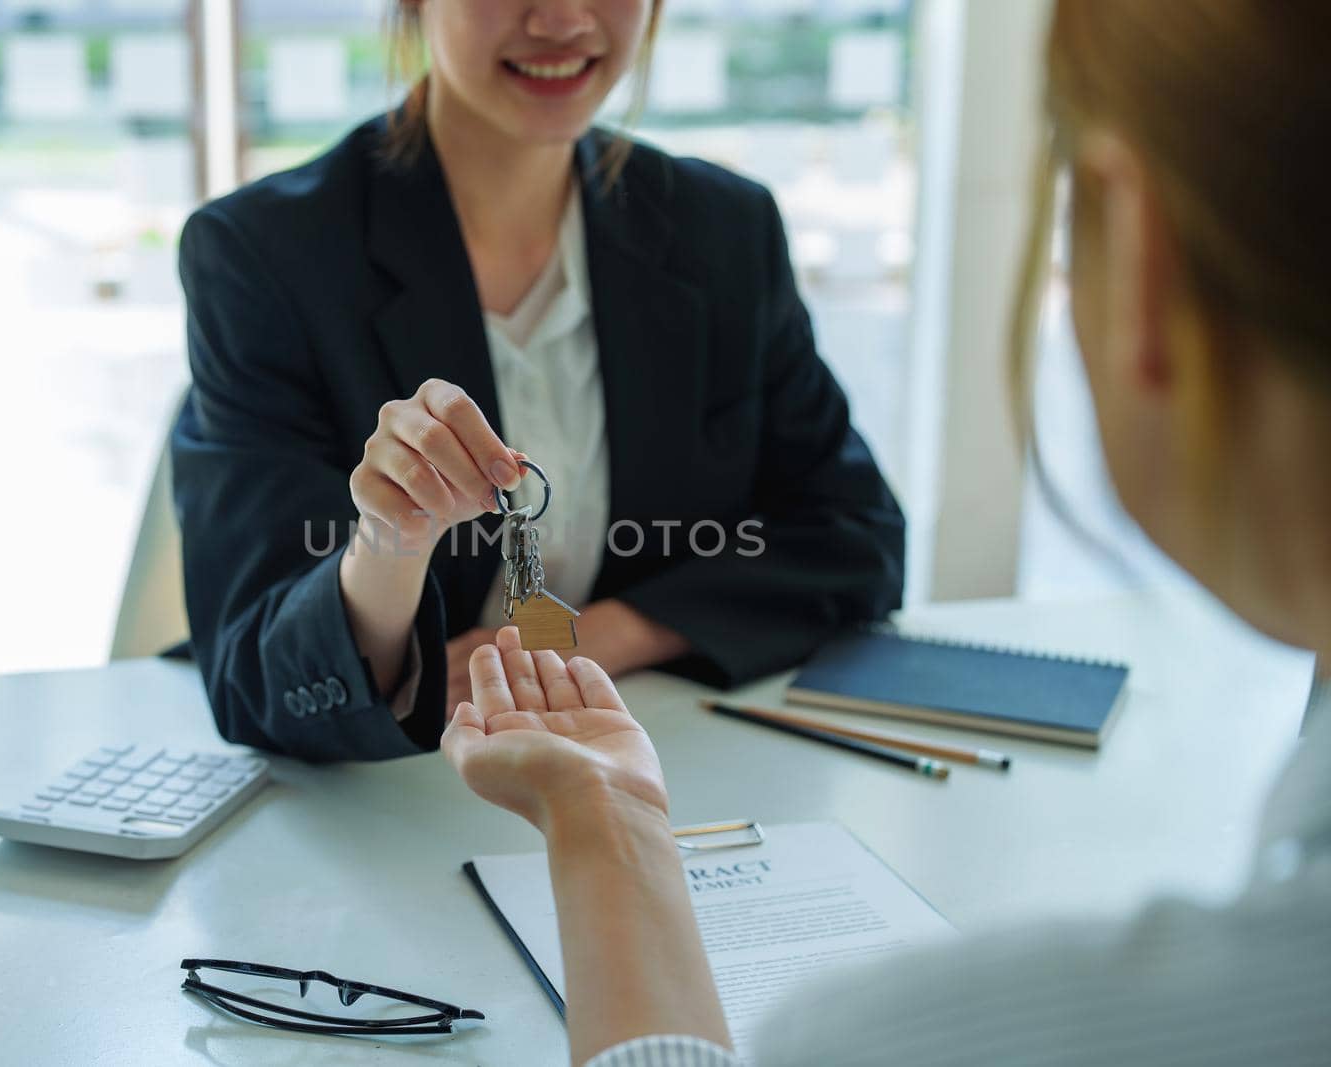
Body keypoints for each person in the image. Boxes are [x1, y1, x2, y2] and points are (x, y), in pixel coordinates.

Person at [442, 1, 1331, 1063]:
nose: (560, 15)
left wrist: (602, 802)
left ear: (1137, 251)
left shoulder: (915, 1037)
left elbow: (855, 530)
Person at [171, 0, 905, 763]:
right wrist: (390, 546)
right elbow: (253, 669)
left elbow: (854, 536)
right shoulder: (266, 255)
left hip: (660, 757)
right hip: (394, 787)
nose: (561, 20)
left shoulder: (722, 230)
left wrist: (596, 635)